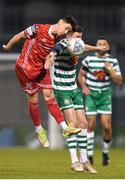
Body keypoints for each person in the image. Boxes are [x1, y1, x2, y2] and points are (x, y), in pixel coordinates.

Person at [2, 15, 82, 148]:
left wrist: (49, 60)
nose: (65, 31)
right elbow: (20, 35)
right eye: (66, 28)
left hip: (41, 69)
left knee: (49, 96)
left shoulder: (58, 38)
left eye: (68, 30)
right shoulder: (38, 28)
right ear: (60, 22)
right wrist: (8, 46)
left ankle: (65, 128)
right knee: (34, 100)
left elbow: (50, 53)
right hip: (25, 68)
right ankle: (39, 130)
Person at [45, 26, 106, 173]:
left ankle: (85, 161)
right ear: (69, 36)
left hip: (73, 88)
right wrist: (50, 58)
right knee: (72, 125)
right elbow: (54, 51)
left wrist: (97, 48)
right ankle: (74, 161)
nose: (79, 40)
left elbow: (85, 47)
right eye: (77, 36)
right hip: (61, 89)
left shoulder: (77, 45)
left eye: (81, 37)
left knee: (83, 123)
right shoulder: (63, 44)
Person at [78, 37, 123, 165]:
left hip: (105, 95)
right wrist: (84, 87)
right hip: (92, 95)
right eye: (99, 44)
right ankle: (90, 156)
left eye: (104, 44)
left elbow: (119, 82)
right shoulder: (89, 59)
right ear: (96, 46)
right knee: (90, 125)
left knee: (107, 126)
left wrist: (112, 71)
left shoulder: (112, 61)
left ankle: (105, 152)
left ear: (108, 47)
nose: (102, 46)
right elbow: (80, 75)